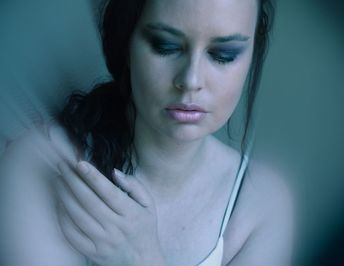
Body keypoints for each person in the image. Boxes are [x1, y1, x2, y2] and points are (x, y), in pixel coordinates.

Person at [0, 0, 294, 265]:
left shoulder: (263, 206)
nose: (191, 80)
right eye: (165, 45)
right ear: (126, 43)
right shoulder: (38, 165)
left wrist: (142, 259)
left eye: (223, 54)